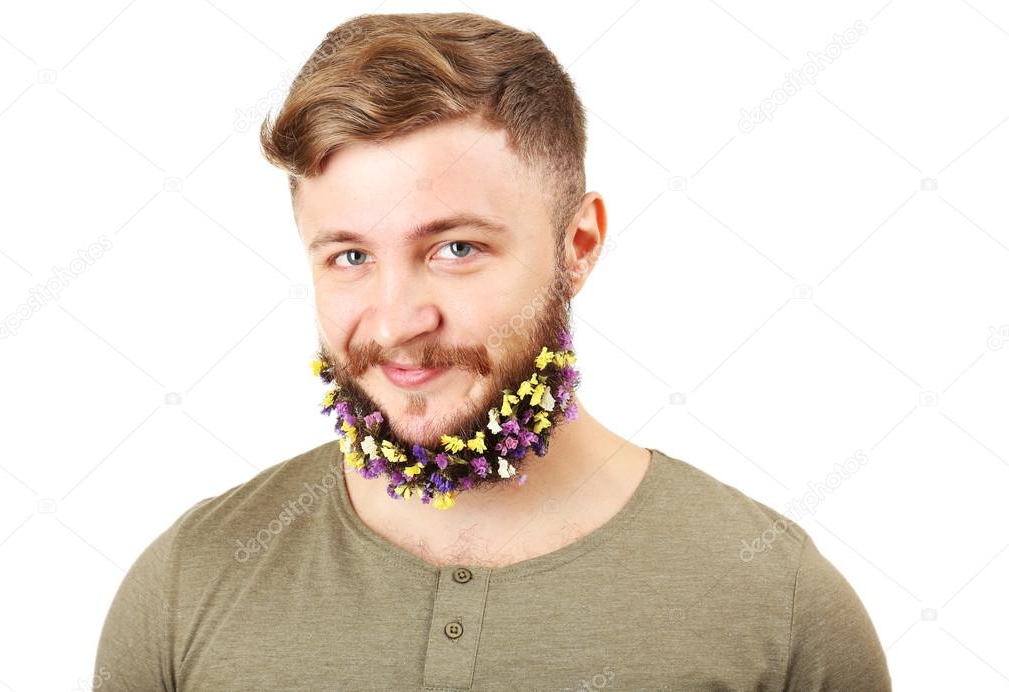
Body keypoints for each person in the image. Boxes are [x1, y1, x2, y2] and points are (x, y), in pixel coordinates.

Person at [92, 11, 892, 691]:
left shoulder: (777, 602)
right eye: (350, 256)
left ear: (577, 245)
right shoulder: (186, 585)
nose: (397, 321)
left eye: (456, 249)